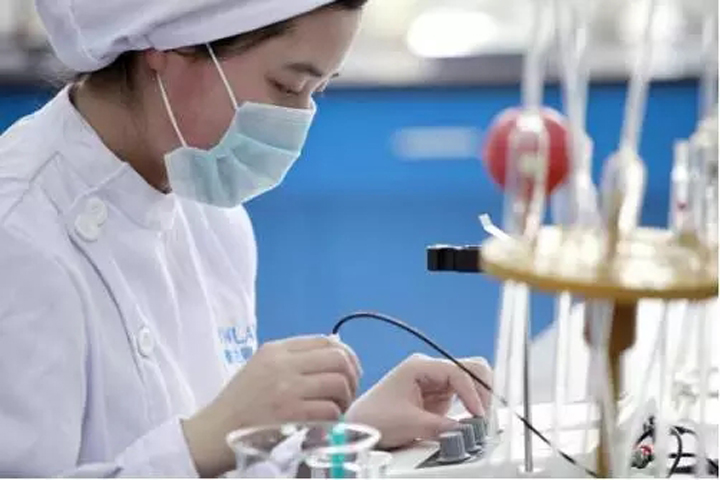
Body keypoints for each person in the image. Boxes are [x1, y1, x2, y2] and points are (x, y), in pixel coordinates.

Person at [0, 0, 493, 477]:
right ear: (168, 46)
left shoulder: (210, 210)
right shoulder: (20, 234)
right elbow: (203, 447)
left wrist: (340, 436)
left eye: (317, 91)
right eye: (288, 85)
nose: (299, 120)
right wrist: (206, 438)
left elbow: (224, 462)